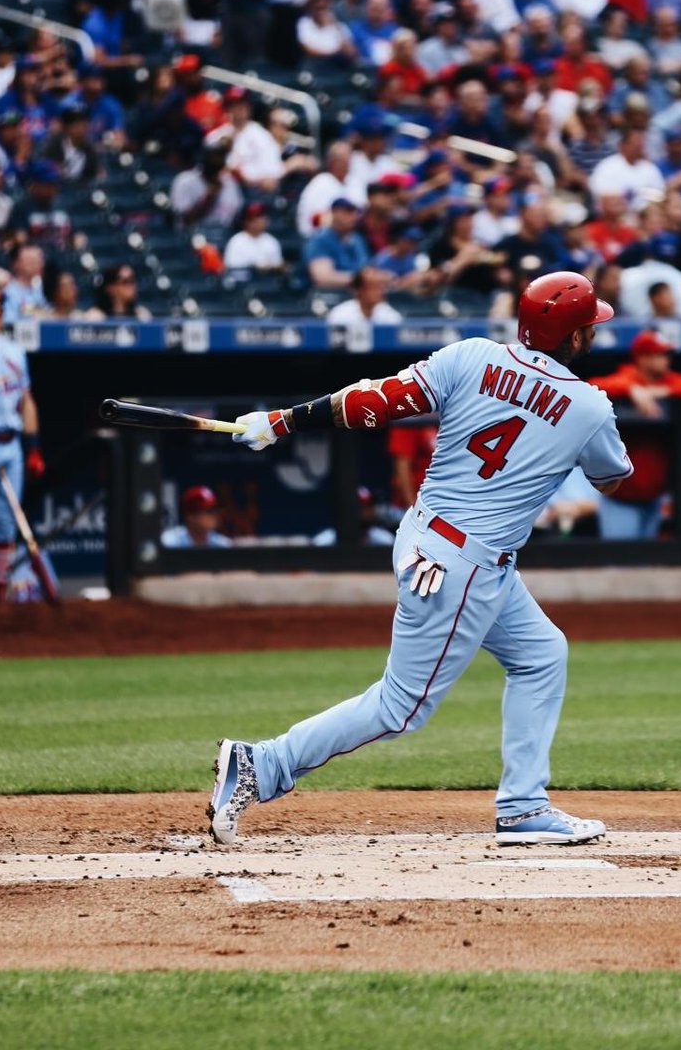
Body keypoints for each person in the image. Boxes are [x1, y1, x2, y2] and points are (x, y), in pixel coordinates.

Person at [209, 270, 631, 847]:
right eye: (589, 328)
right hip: (464, 566)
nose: (593, 335)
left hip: (428, 537)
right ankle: (262, 764)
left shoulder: (470, 355)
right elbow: (610, 480)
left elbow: (373, 400)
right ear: (575, 337)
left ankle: (523, 807)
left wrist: (283, 419)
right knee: (400, 706)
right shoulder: (590, 407)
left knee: (540, 653)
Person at [588, 330, 681, 539]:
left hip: (654, 497)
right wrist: (631, 389)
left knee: (647, 565)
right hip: (620, 498)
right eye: (659, 354)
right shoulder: (627, 377)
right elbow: (593, 385)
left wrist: (664, 392)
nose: (666, 359)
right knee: (621, 563)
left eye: (667, 354)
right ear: (642, 358)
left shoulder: (669, 381)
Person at [0, 278, 44, 602]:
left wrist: (32, 448)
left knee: (4, 527)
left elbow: (26, 401)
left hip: (10, 445)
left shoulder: (13, 352)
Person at [303, 197, 369, 289]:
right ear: (334, 213)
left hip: (357, 293)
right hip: (327, 296)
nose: (353, 216)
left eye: (356, 212)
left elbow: (365, 269)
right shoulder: (320, 239)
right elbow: (323, 278)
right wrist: (361, 280)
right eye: (347, 212)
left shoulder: (357, 239)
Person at [326, 265, 402, 338]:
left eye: (381, 287)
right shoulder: (340, 315)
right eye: (373, 287)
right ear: (358, 290)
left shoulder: (389, 314)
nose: (380, 292)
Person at [223, 203, 284, 276]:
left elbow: (278, 265)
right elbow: (233, 271)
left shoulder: (271, 241)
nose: (261, 221)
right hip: (244, 284)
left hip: (267, 283)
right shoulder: (236, 242)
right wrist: (256, 268)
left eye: (262, 217)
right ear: (246, 221)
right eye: (256, 218)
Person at [162, 485, 232, 548]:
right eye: (210, 510)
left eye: (216, 509)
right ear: (190, 516)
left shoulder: (222, 544)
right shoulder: (168, 542)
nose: (215, 514)